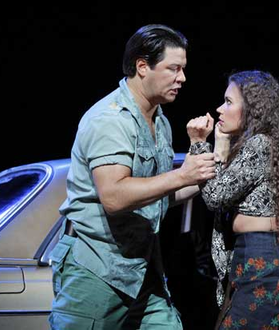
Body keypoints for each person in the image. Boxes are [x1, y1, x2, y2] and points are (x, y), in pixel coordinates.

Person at [48, 24, 216, 330]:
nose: (182, 78)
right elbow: (114, 197)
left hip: (142, 271)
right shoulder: (110, 120)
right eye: (174, 68)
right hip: (96, 269)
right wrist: (182, 176)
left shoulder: (159, 120)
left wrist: (197, 179)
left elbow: (155, 196)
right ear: (142, 66)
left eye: (183, 69)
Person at [186, 70, 279, 329]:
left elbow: (214, 196)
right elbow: (223, 189)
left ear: (252, 109)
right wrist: (222, 149)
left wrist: (199, 143)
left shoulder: (259, 144)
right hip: (262, 259)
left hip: (263, 264)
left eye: (228, 102)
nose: (219, 109)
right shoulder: (269, 144)